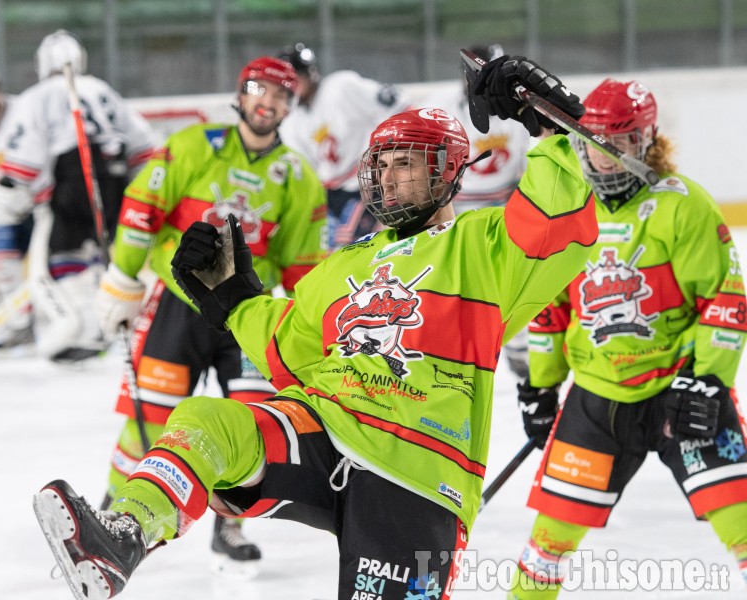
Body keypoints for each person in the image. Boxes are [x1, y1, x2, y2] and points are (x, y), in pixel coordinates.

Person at [33, 54, 596, 600]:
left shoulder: (482, 244)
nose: (389, 178)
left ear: (447, 170)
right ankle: (124, 536)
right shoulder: (348, 263)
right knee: (207, 419)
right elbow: (291, 348)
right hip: (325, 429)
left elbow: (558, 222)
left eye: (407, 163)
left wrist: (550, 127)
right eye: (382, 163)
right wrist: (234, 300)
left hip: (418, 468)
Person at [508, 78, 747, 599]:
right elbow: (550, 309)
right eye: (594, 144)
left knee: (743, 527)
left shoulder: (683, 207)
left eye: (619, 145)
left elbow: (725, 300)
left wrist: (707, 380)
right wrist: (540, 388)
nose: (604, 158)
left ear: (647, 141)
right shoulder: (572, 211)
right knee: (546, 545)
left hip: (680, 392)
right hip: (597, 402)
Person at [91, 55, 328, 573]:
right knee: (148, 419)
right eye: (259, 90)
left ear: (291, 106)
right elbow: (140, 210)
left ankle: (230, 527)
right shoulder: (191, 146)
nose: (268, 102)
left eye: (281, 95)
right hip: (179, 303)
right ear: (240, 94)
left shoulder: (299, 177)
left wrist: (313, 328)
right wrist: (122, 278)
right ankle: (111, 515)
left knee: (250, 423)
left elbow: (305, 265)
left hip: (245, 314)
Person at [0, 30, 156, 362]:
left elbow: (24, 162)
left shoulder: (39, 95)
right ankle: (101, 327)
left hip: (74, 176)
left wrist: (11, 191)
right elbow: (144, 146)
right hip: (113, 176)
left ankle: (82, 327)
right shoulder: (102, 88)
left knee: (61, 256)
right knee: (95, 252)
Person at [426, 43, 532, 379]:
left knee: (511, 280)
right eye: (472, 72)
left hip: (504, 203)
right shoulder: (441, 109)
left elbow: (533, 163)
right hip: (455, 207)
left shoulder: (520, 110)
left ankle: (517, 344)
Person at [277, 42, 410, 250]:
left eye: (296, 78)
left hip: (366, 183)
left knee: (349, 247)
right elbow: (304, 170)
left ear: (310, 74)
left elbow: (398, 103)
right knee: (323, 251)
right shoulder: (290, 118)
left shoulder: (341, 87)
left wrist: (392, 157)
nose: (293, 86)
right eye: (288, 81)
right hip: (330, 195)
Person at [0, 58, 35, 351]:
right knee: (0, 259)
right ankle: (20, 325)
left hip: (39, 201)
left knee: (65, 262)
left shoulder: (24, 111)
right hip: (3, 211)